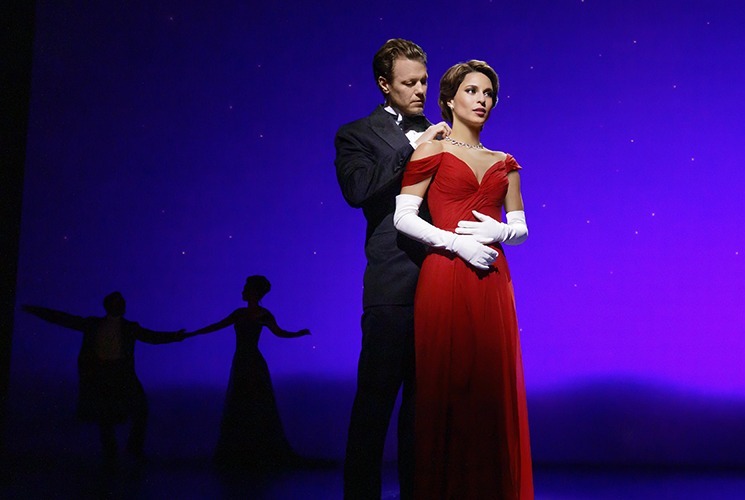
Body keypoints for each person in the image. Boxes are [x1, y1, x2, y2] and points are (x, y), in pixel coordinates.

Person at [394, 59, 532, 499]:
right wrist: (455, 244)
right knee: (446, 384)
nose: (483, 101)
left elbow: (523, 228)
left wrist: (502, 231)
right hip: (445, 274)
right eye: (473, 91)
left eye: (489, 94)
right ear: (450, 98)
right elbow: (403, 218)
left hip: (492, 278)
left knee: (491, 386)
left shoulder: (504, 162)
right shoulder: (431, 149)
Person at [334, 38, 450, 499]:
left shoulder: (445, 129)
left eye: (424, 80)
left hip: (441, 282)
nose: (421, 89)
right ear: (385, 84)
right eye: (409, 82)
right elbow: (358, 189)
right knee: (375, 403)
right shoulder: (356, 134)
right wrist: (414, 149)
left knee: (424, 410)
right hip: (392, 283)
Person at [21, 292, 187, 465]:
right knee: (106, 415)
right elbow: (63, 319)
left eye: (121, 302)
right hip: (102, 374)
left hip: (122, 374)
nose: (121, 305)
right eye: (118, 303)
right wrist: (37, 310)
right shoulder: (93, 324)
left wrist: (175, 336)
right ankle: (112, 453)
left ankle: (132, 449)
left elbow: (151, 337)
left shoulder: (129, 327)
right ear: (109, 306)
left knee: (139, 409)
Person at [188, 275, 310, 470]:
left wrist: (297, 333)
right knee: (243, 401)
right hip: (242, 361)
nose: (243, 291)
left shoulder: (263, 315)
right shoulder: (240, 313)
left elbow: (279, 332)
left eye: (246, 288)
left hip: (252, 362)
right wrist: (194, 333)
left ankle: (254, 452)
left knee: (254, 401)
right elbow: (218, 326)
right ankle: (243, 451)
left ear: (254, 292)